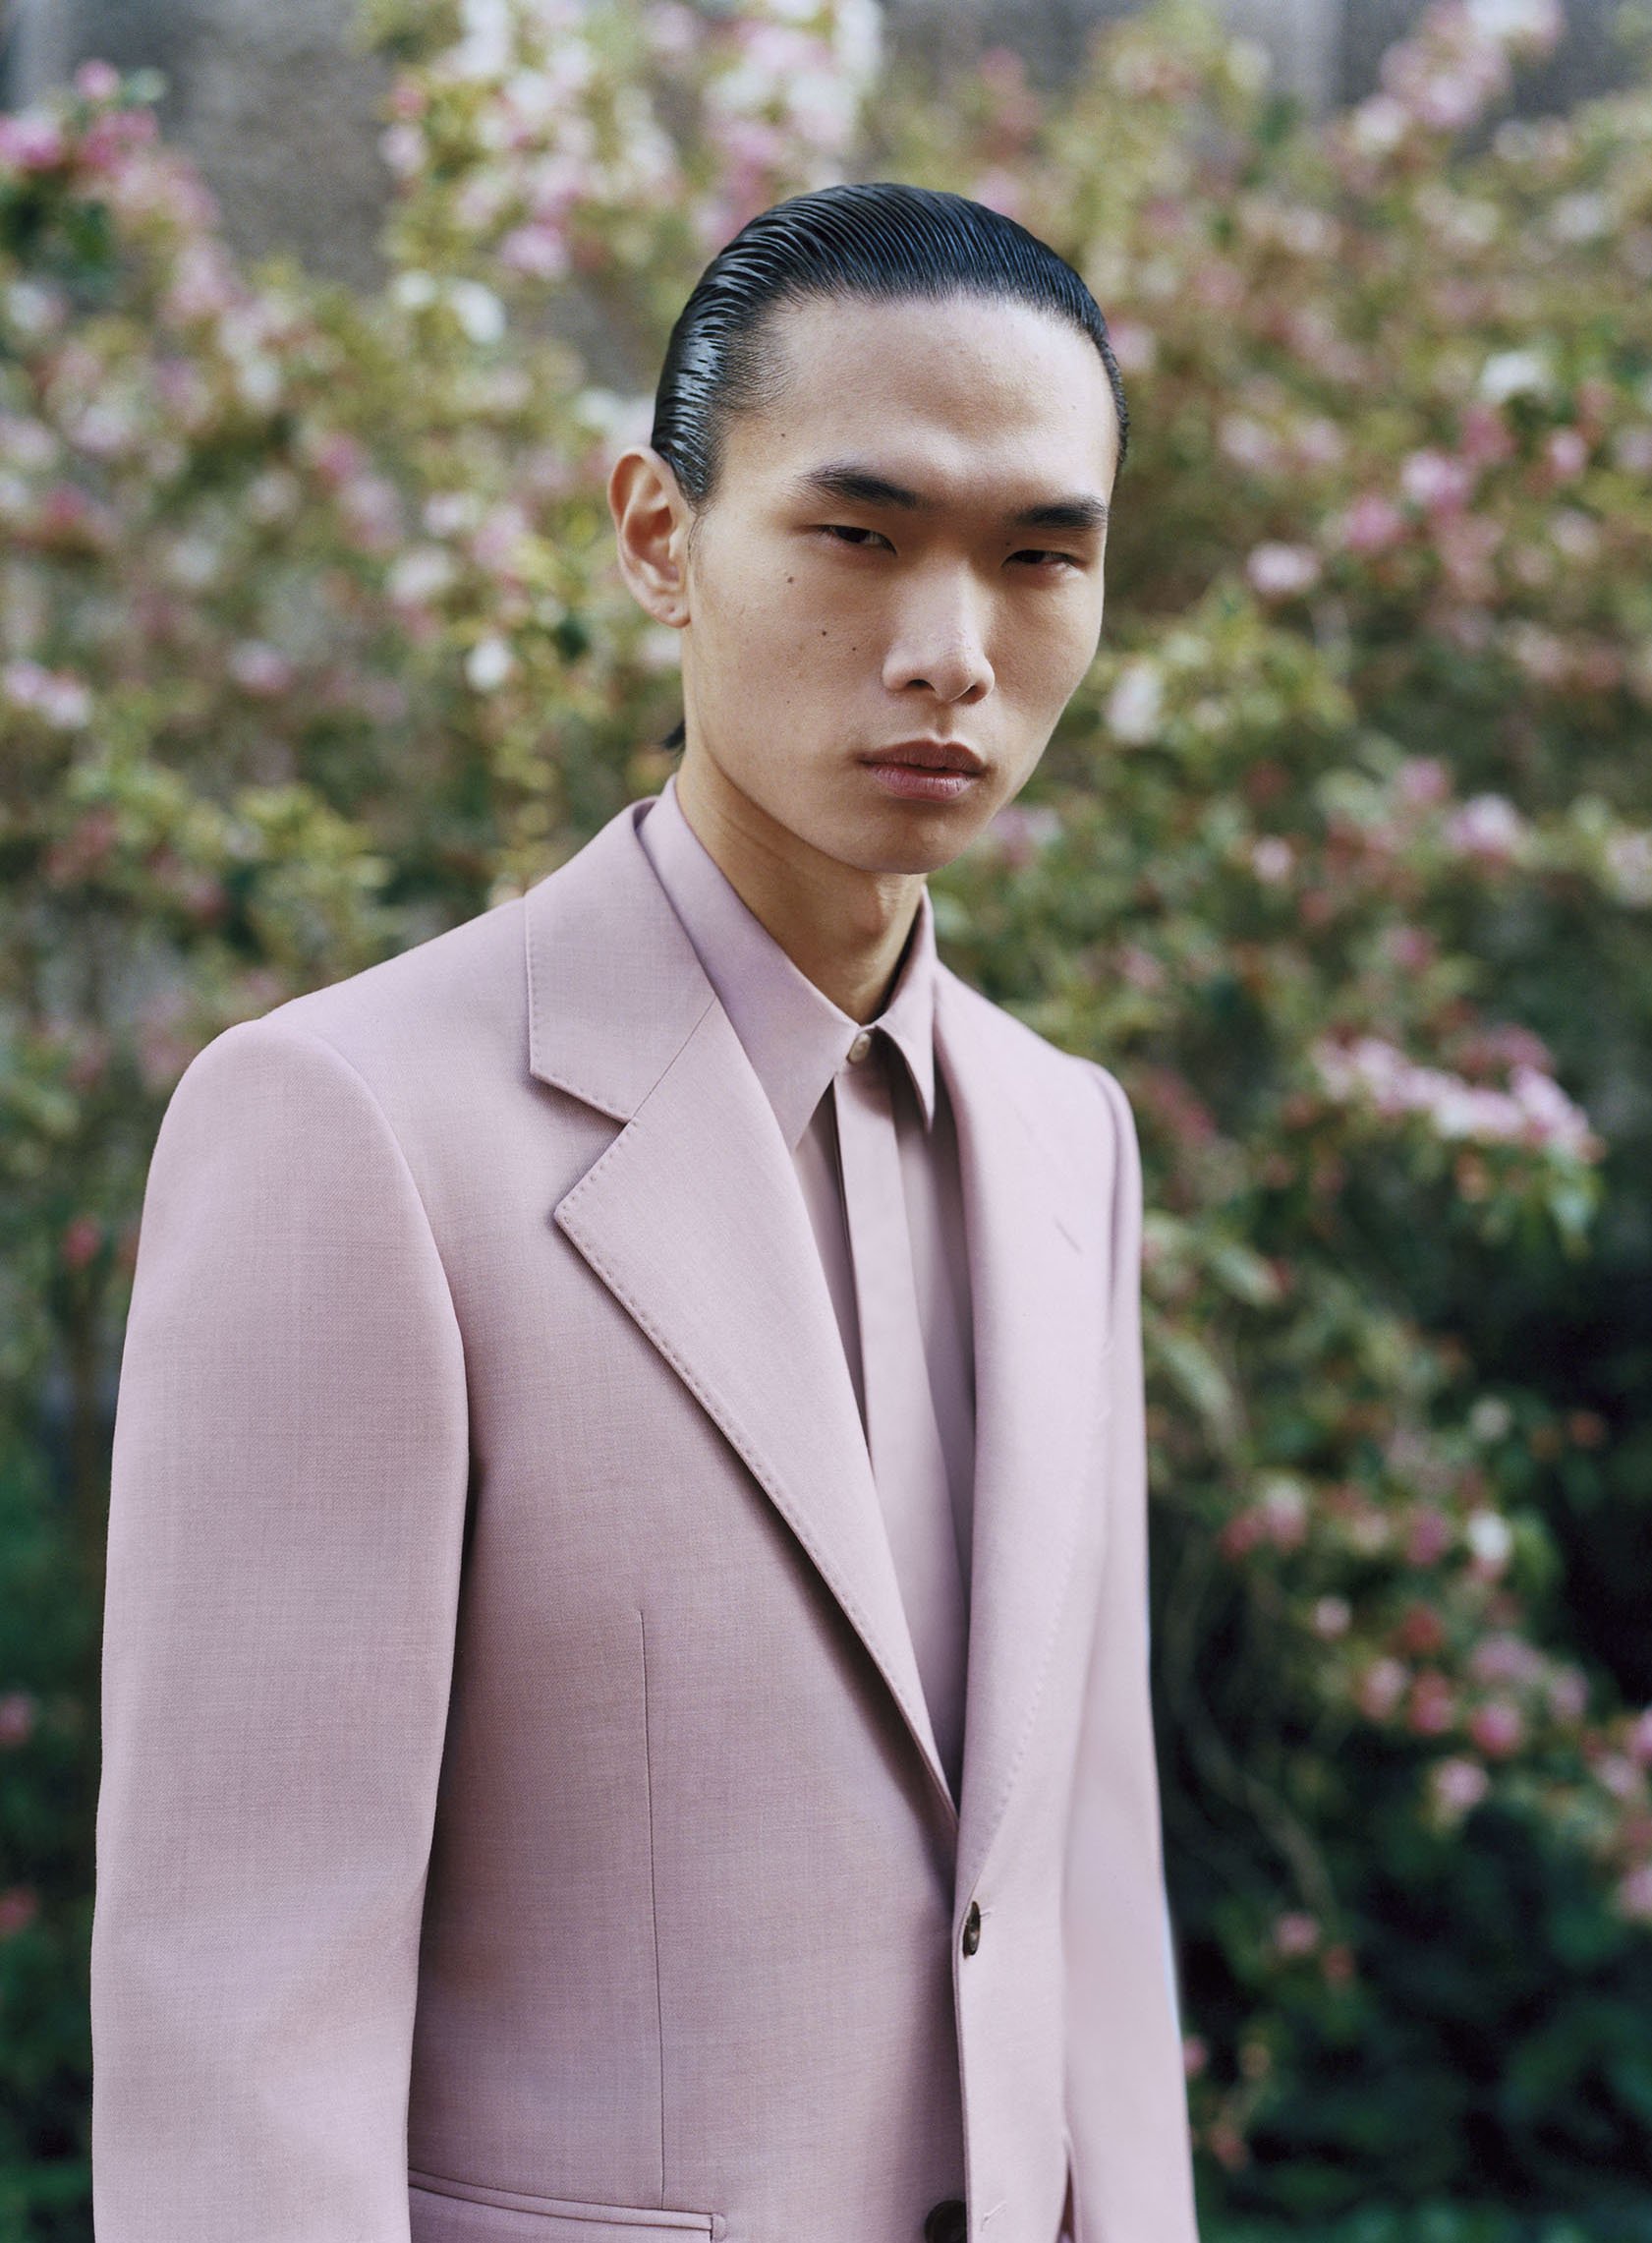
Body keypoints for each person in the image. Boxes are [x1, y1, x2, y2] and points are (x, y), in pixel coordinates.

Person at [91, 182, 1200, 2243]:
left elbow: (1083, 1906)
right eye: (858, 534)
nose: (951, 652)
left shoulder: (1070, 1139)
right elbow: (240, 2022)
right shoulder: (349, 1126)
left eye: (1038, 555)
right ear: (658, 536)